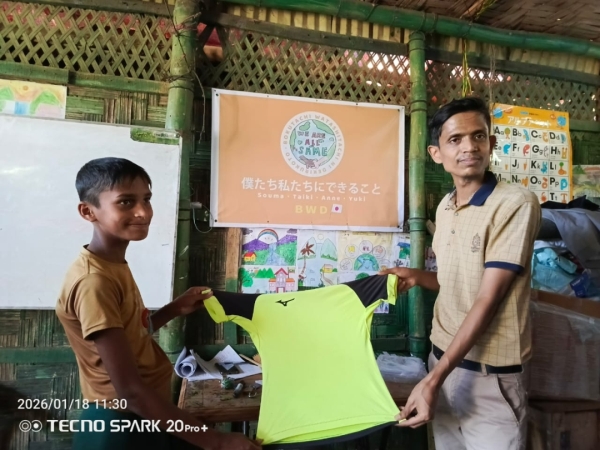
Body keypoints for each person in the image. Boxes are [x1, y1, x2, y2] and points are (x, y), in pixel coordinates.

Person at [55, 157, 261, 450]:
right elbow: (130, 392)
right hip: (120, 426)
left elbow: (131, 335)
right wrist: (216, 440)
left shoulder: (111, 265)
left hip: (144, 416)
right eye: (126, 202)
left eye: (146, 199)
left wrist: (174, 309)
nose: (143, 212)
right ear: (88, 211)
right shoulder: (94, 282)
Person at [381, 97, 541, 450]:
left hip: (489, 378)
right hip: (442, 361)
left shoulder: (515, 203)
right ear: (436, 153)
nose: (469, 147)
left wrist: (432, 380)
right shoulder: (446, 206)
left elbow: (488, 298)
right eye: (455, 139)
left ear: (491, 143)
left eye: (478, 136)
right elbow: (455, 280)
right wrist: (417, 276)